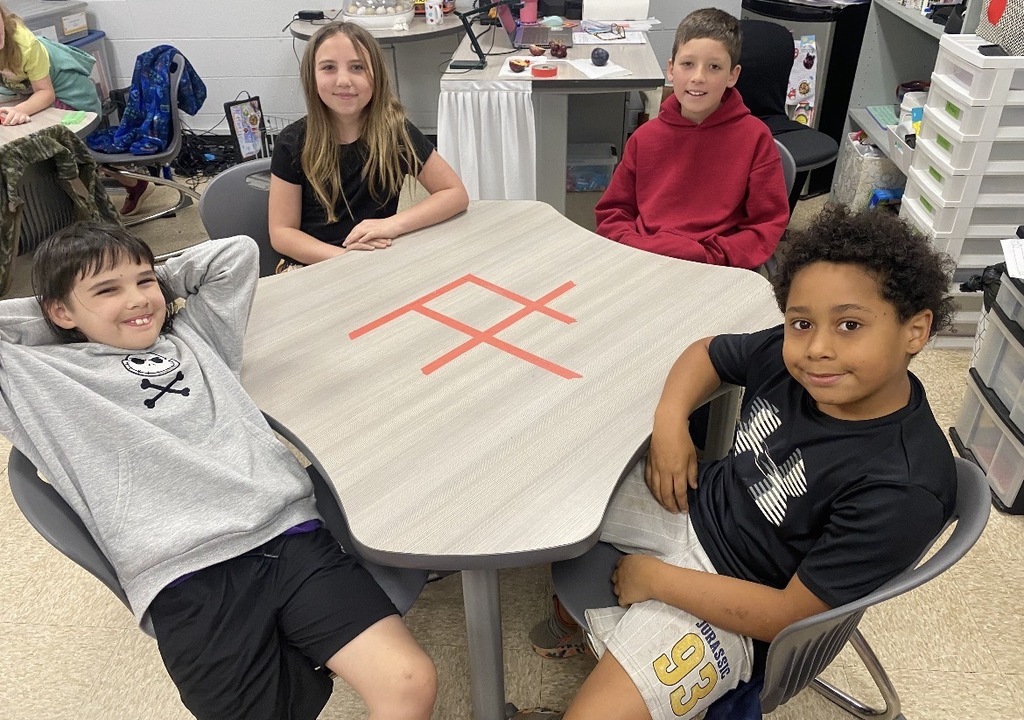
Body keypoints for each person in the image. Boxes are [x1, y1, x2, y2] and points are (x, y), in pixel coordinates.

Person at [518, 204, 959, 720]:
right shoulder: (793, 357)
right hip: (697, 504)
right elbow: (705, 353)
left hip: (744, 607)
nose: (817, 347)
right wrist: (670, 423)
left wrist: (657, 581)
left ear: (915, 330)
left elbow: (786, 616)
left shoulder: (902, 488)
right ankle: (583, 625)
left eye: (850, 325)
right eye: (801, 322)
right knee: (543, 487)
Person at [0, 223, 437, 720]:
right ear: (56, 309)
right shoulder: (36, 378)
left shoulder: (195, 337)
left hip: (288, 536)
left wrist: (132, 290)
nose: (138, 300)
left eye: (145, 282)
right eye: (107, 289)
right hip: (185, 575)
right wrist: (63, 320)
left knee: (409, 681)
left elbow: (235, 255)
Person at [594, 8, 789, 270]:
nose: (698, 77)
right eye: (688, 64)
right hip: (642, 259)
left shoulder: (755, 138)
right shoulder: (645, 138)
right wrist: (637, 248)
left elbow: (765, 225)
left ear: (733, 75)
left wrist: (710, 257)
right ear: (671, 69)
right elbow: (613, 213)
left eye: (714, 67)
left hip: (716, 267)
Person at [269, 21, 469, 272]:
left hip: (375, 261)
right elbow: (282, 233)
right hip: (313, 265)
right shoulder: (293, 142)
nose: (344, 80)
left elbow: (454, 194)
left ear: (377, 75)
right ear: (312, 76)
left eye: (357, 67)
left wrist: (392, 225)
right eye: (329, 67)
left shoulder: (396, 132)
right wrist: (344, 260)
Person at [0, 3, 101, 126]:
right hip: (28, 88)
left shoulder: (25, 45)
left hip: (69, 95)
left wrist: (19, 110)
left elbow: (45, 93)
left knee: (41, 133)